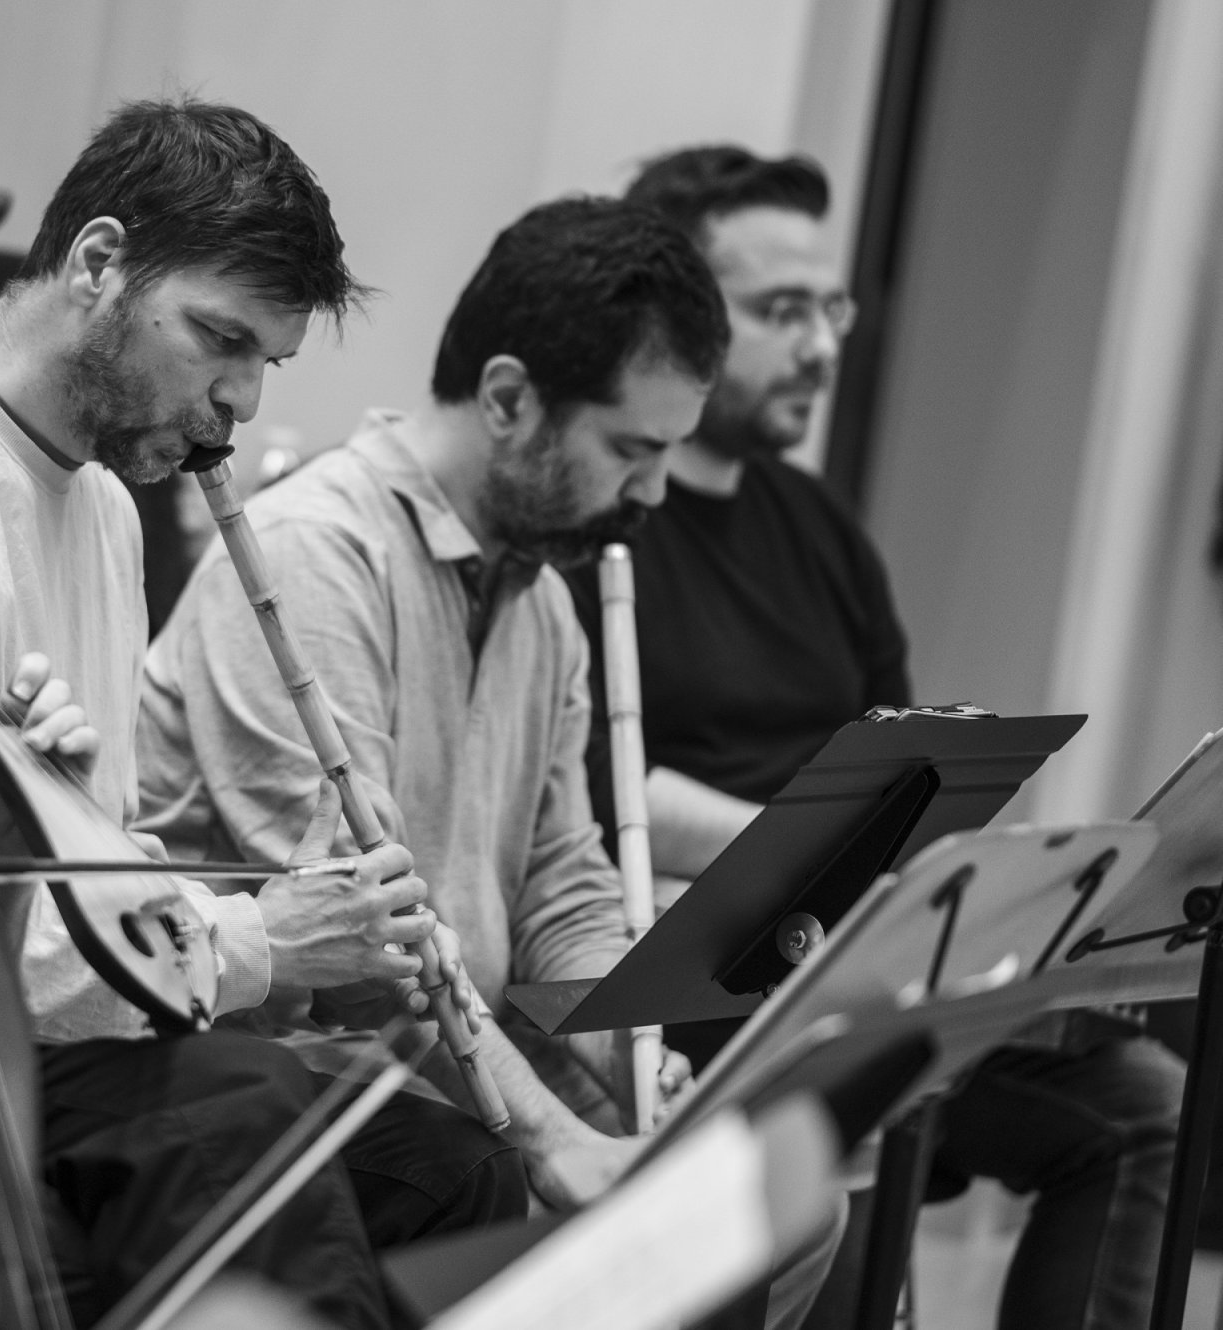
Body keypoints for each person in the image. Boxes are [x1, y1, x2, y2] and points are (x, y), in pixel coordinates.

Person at [0, 98, 520, 1330]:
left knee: (457, 1171)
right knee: (238, 1104)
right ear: (98, 263)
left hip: (80, 1040)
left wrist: (298, 961)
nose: (240, 401)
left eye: (265, 363)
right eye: (220, 340)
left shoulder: (108, 500)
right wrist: (258, 944)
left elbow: (92, 858)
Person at [130, 195, 841, 1330]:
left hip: (464, 1061)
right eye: (632, 451)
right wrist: (557, 1138)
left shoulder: (544, 599)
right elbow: (368, 951)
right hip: (309, 1072)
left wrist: (630, 1061)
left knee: (788, 1210)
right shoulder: (316, 555)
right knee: (537, 1199)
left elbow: (564, 887)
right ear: (508, 399)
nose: (653, 494)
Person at [564, 144, 1185, 1330]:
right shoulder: (603, 515)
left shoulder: (819, 529)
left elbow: (908, 770)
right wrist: (804, 849)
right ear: (678, 314)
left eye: (831, 308)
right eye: (779, 310)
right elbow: (594, 787)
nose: (820, 344)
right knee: (833, 1192)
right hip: (703, 970)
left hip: (856, 954)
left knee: (1134, 1099)